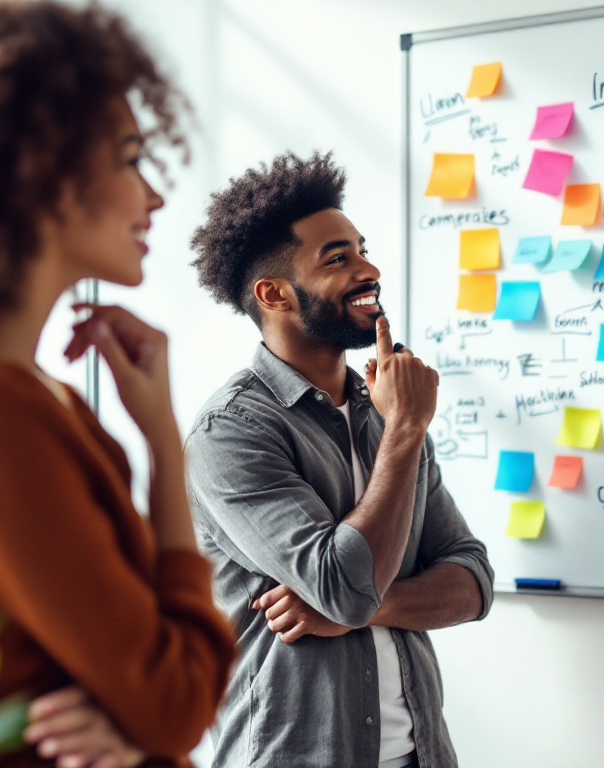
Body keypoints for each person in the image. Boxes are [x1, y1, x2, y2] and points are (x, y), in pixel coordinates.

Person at [0, 2, 234, 767]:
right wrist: (167, 450)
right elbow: (178, 702)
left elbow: (143, 693)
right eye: (127, 158)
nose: (151, 196)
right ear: (41, 175)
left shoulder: (1, 386)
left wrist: (153, 430)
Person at [186, 151, 493, 768]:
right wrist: (406, 428)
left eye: (361, 249)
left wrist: (358, 605)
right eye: (338, 258)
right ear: (273, 294)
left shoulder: (384, 410)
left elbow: (472, 581)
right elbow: (342, 588)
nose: (368, 268)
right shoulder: (232, 432)